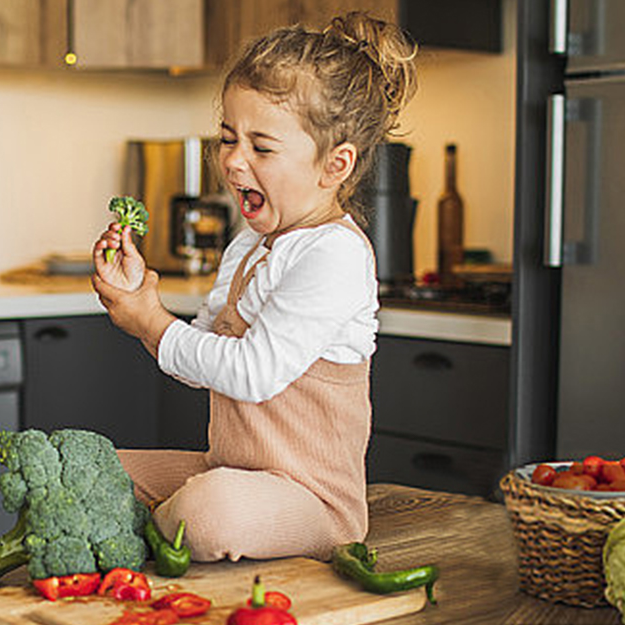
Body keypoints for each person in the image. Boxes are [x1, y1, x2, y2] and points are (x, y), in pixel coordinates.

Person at [92, 13, 417, 563]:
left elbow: (253, 373)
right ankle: (159, 529)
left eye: (261, 148)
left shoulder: (333, 253)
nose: (233, 161)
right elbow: (200, 363)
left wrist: (152, 322)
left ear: (334, 165)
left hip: (311, 500)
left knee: (210, 512)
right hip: (234, 472)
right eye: (227, 138)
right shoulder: (249, 243)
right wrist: (143, 304)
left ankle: (149, 537)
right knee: (96, 468)